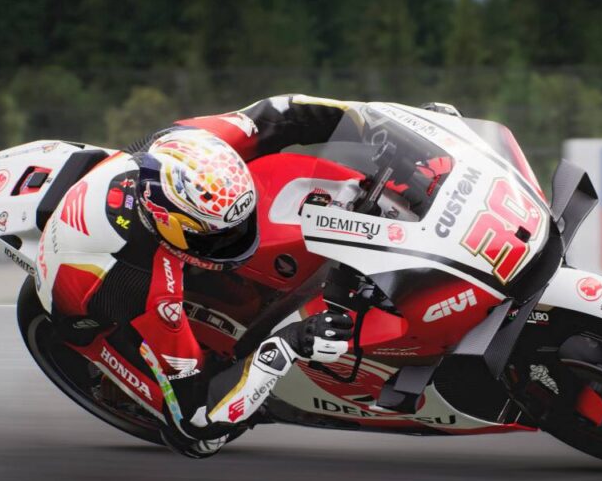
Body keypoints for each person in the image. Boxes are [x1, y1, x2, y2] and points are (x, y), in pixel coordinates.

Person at [34, 95, 363, 458]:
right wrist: (289, 342)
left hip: (113, 204)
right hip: (90, 306)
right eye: (219, 237)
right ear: (167, 225)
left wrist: (365, 122)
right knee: (202, 438)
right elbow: (199, 416)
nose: (236, 240)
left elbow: (282, 112)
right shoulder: (149, 288)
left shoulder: (198, 143)